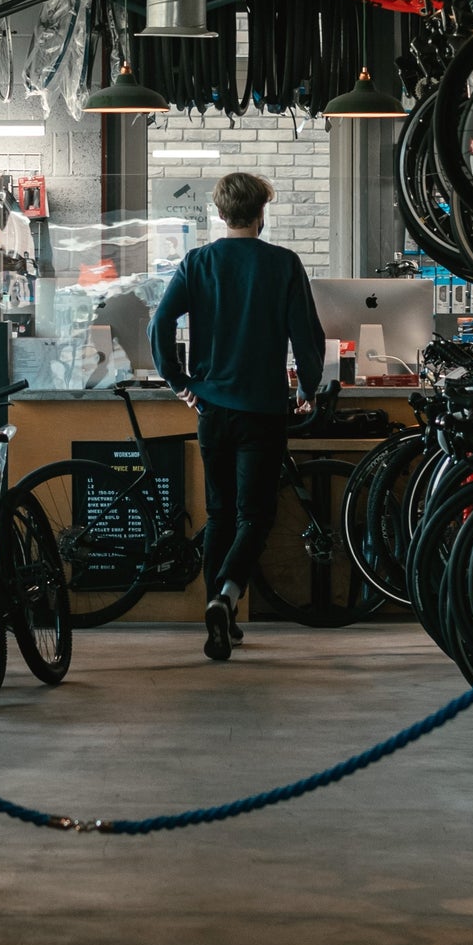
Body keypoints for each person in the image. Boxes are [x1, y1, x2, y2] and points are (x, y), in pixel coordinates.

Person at [148, 172, 325, 661]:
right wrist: (308, 386)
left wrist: (179, 381)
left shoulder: (198, 262)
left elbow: (160, 322)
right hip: (264, 410)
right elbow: (306, 334)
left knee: (221, 513)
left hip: (212, 410)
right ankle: (227, 599)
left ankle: (215, 610)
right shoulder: (283, 264)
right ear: (261, 212)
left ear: (220, 213)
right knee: (257, 515)